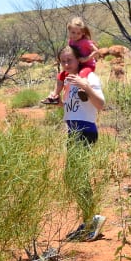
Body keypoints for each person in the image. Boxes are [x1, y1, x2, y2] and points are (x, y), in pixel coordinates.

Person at [57, 45, 107, 242]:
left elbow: (100, 104)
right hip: (74, 132)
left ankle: (92, 220)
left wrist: (84, 85)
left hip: (85, 131)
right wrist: (58, 102)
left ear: (79, 60)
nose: (66, 64)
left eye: (70, 60)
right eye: (63, 61)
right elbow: (75, 106)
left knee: (76, 176)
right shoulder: (69, 80)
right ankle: (88, 221)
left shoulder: (89, 77)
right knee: (74, 177)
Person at [42, 17, 100, 105]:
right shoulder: (71, 42)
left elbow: (96, 51)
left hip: (88, 65)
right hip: (78, 64)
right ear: (69, 31)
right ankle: (54, 95)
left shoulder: (85, 42)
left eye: (78, 33)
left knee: (82, 73)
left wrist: (86, 58)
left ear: (83, 33)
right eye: (73, 32)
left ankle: (83, 90)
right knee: (61, 75)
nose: (75, 35)